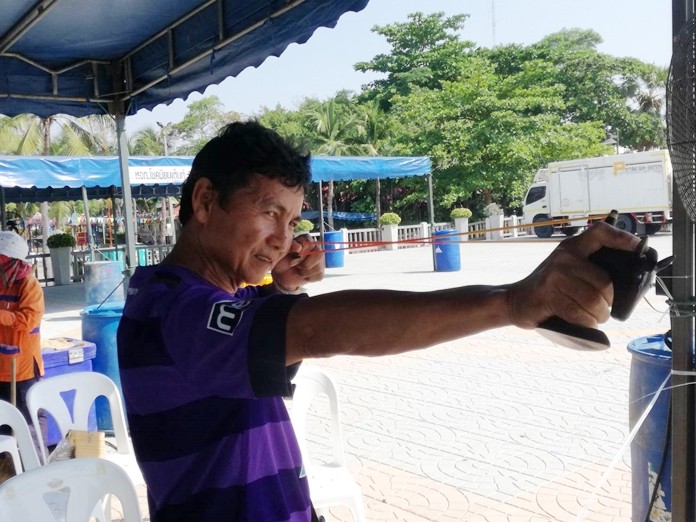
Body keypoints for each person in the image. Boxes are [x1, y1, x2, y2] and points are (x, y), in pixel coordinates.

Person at [117, 121, 640, 522]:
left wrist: (278, 288)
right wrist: (511, 302)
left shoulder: (194, 305)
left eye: (292, 221)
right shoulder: (171, 309)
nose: (282, 239)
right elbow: (314, 329)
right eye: (269, 213)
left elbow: (235, 347)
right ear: (205, 201)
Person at [0, 231, 45, 424]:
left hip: (22, 366)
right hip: (2, 364)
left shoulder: (28, 284)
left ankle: (32, 446)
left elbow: (29, 319)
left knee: (28, 420)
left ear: (10, 261)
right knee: (4, 422)